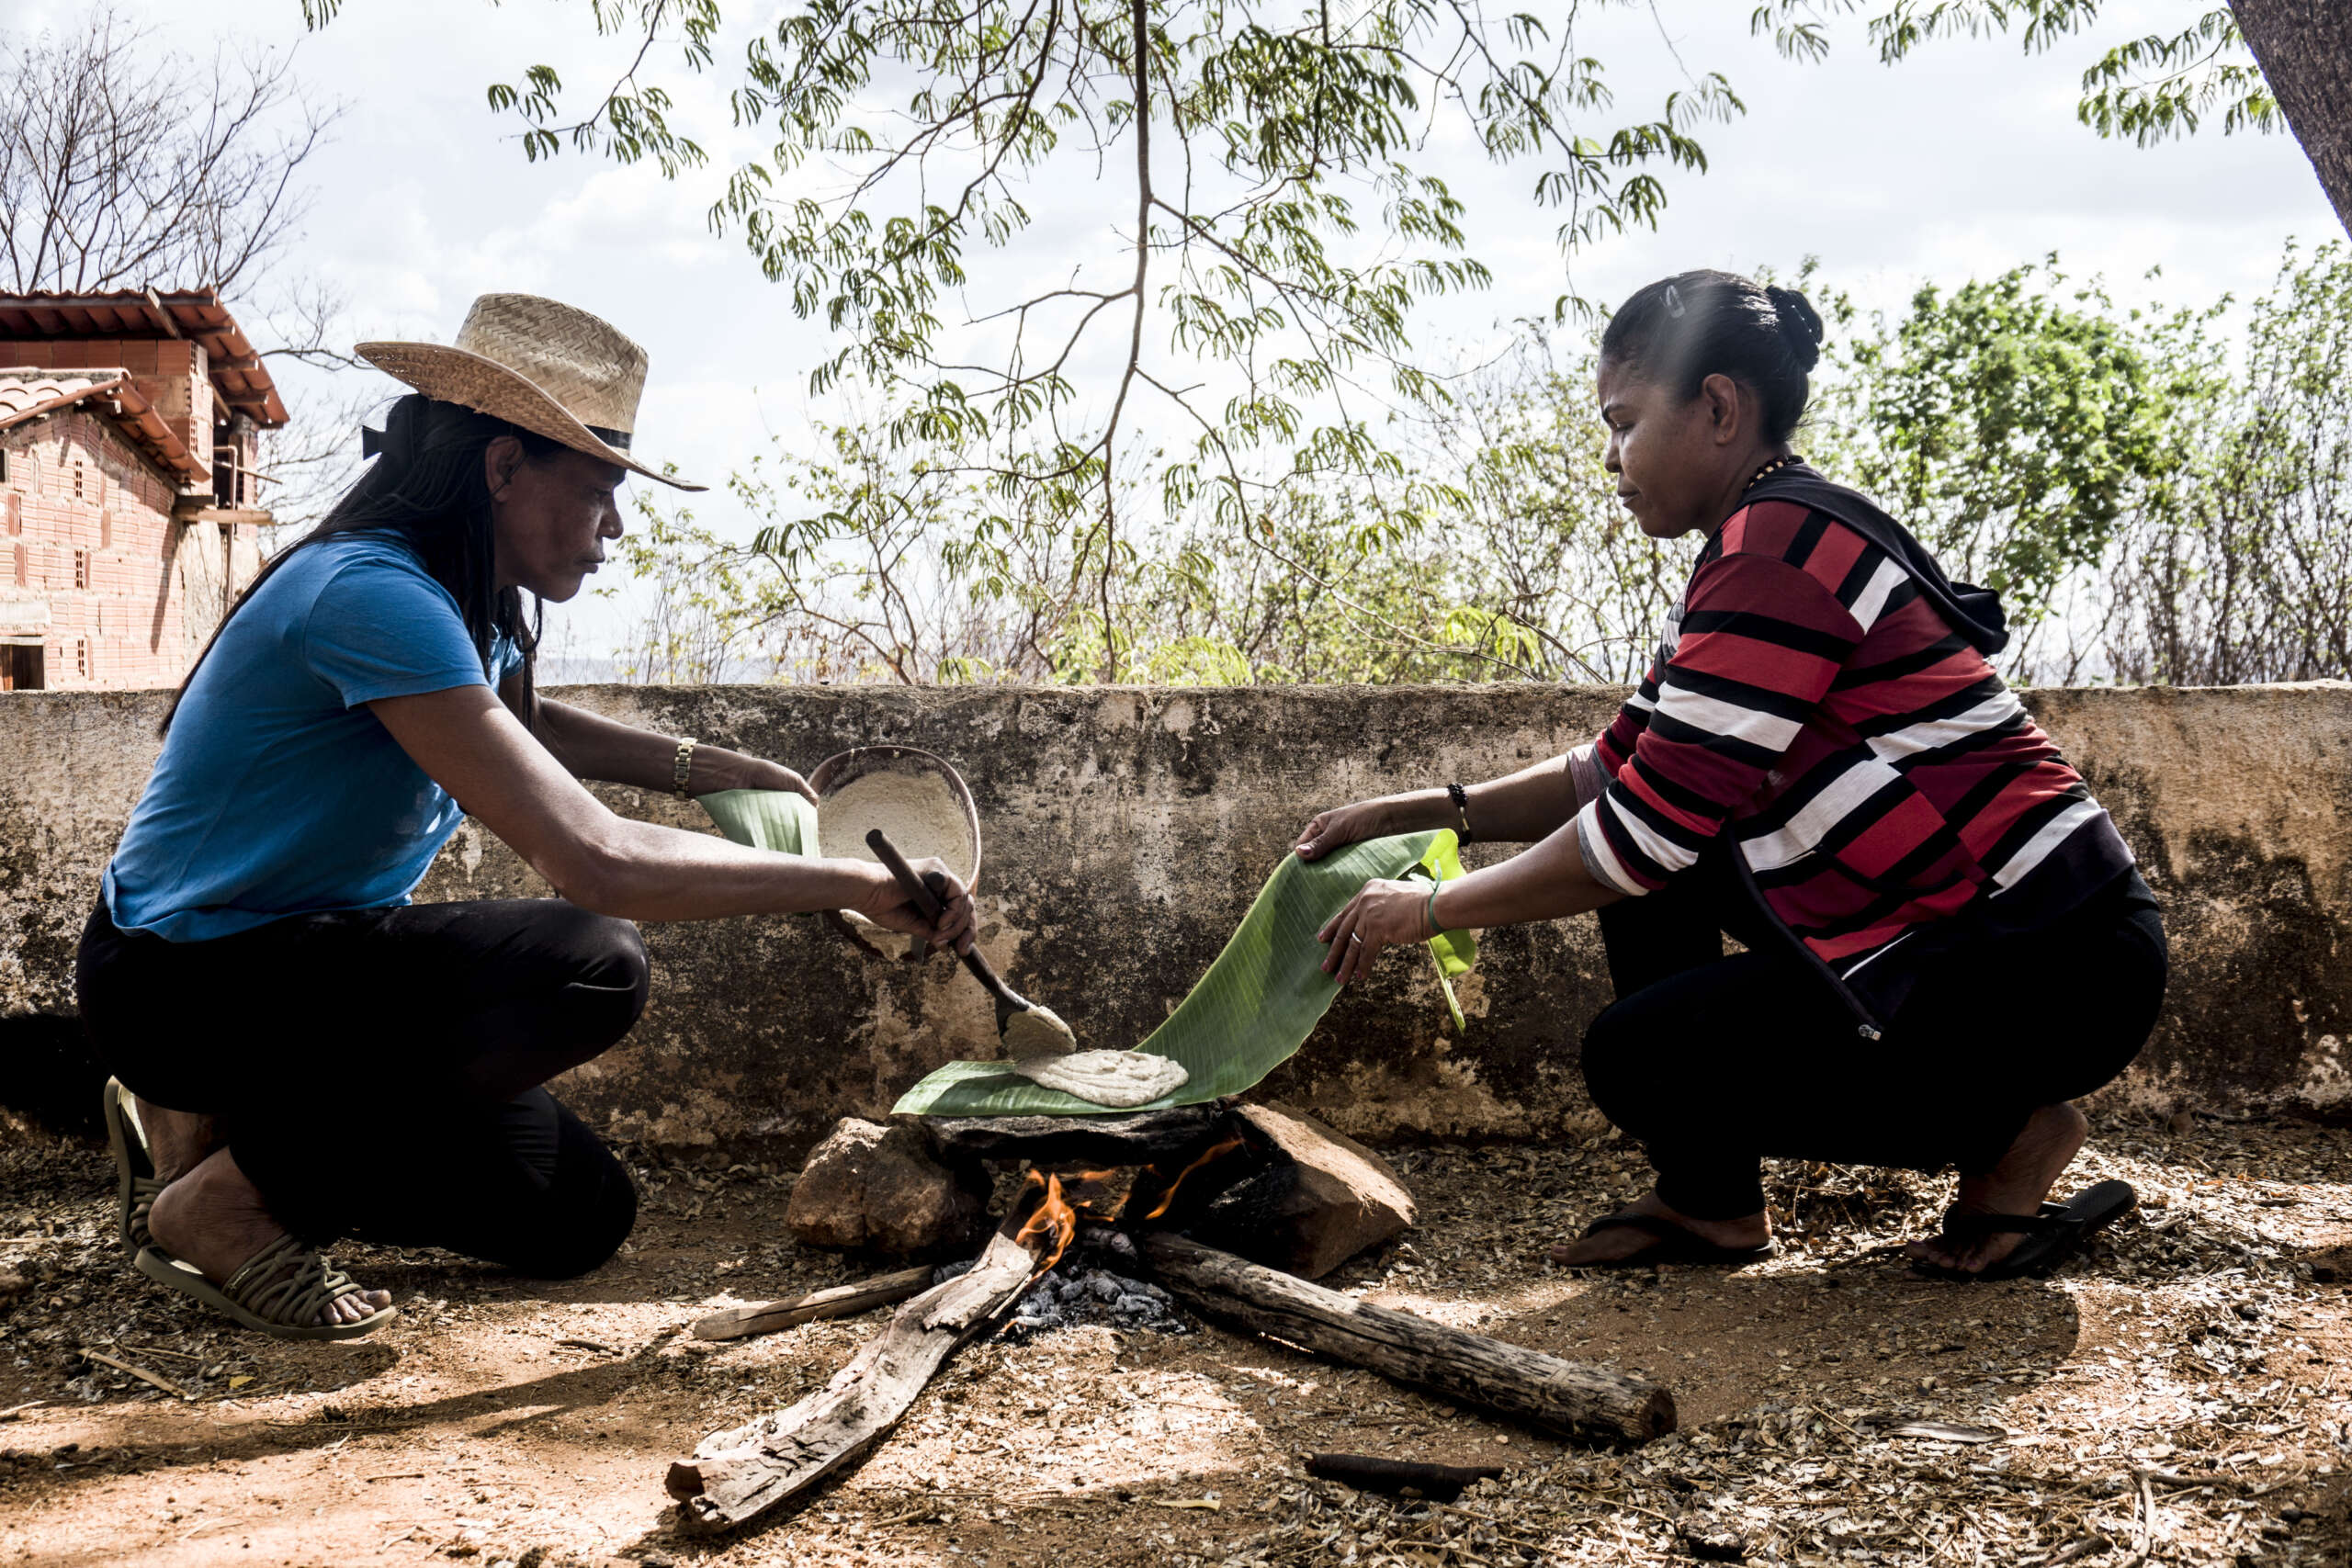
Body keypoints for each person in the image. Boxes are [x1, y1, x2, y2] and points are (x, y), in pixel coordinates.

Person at [76, 294, 976, 1338]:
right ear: (504, 469)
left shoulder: (463, 597)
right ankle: (221, 1200)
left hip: (312, 978)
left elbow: (524, 722)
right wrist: (866, 882)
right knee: (591, 963)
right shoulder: (371, 594)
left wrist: (725, 769)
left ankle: (230, 1137)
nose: (616, 529)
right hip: (188, 984)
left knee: (577, 1217)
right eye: (600, 493)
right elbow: (597, 863)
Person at [1294, 270, 2166, 1281]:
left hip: (2048, 964)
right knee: (1656, 857)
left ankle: (2009, 1129)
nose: (1611, 460)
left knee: (1634, 1056)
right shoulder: (1756, 544)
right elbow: (1620, 770)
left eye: (1623, 424)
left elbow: (1637, 836)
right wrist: (1431, 809)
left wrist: (1433, 909)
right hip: (1974, 940)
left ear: (1716, 407)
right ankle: (1710, 1205)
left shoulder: (1780, 548)